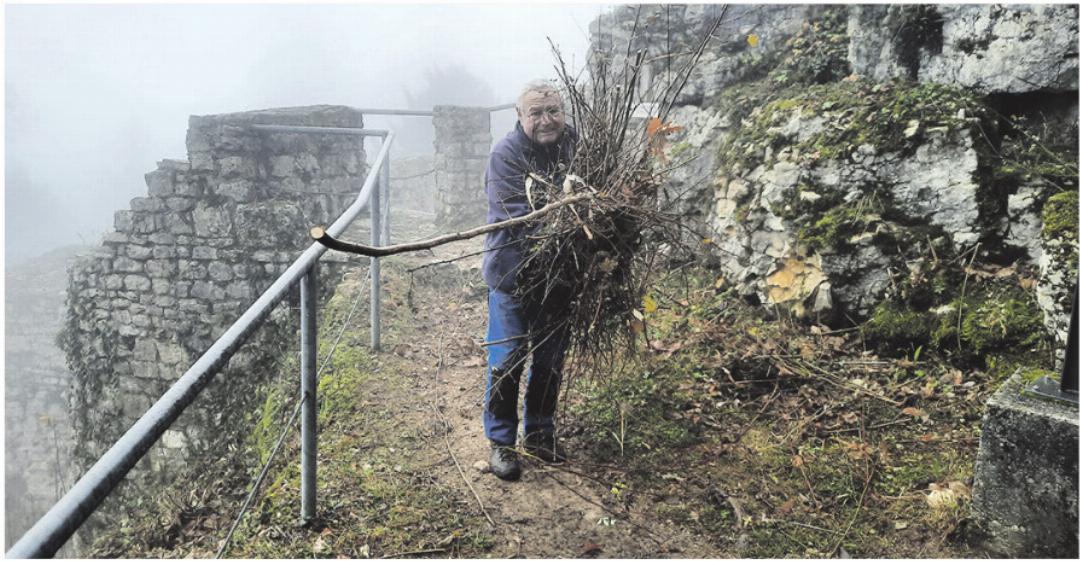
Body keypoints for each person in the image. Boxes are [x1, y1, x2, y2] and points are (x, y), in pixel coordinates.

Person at [481, 80, 577, 481]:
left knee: (551, 359)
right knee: (507, 359)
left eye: (553, 110)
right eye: (536, 113)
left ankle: (540, 433)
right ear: (519, 116)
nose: (546, 120)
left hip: (561, 276)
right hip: (513, 273)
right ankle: (501, 442)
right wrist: (576, 219)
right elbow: (518, 217)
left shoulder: (573, 145)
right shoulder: (505, 155)